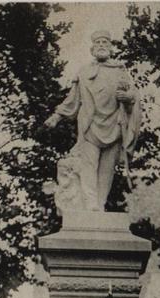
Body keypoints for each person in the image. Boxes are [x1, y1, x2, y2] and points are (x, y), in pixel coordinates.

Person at [45, 30, 141, 211]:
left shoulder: (121, 72)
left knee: (106, 171)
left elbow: (133, 100)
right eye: (98, 42)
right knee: (88, 165)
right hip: (90, 126)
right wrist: (56, 116)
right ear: (92, 48)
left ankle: (100, 204)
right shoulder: (83, 72)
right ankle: (91, 204)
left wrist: (128, 98)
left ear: (111, 48)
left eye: (106, 42)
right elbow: (72, 100)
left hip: (114, 126)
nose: (102, 45)